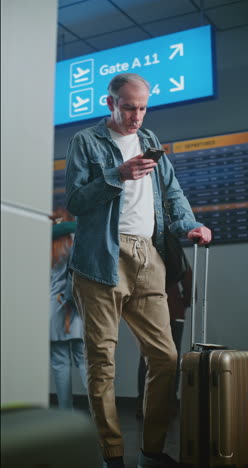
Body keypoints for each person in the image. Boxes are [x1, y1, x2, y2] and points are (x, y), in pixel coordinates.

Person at [65, 73, 211, 468]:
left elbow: (173, 193)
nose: (136, 116)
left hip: (148, 255)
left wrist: (190, 225)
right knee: (102, 362)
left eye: (142, 107)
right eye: (128, 107)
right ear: (109, 103)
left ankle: (151, 450)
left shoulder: (150, 141)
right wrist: (118, 175)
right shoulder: (86, 141)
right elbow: (75, 201)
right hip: (100, 257)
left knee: (165, 358)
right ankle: (112, 454)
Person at [136, 265, 193, 419]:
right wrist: (183, 303)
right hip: (174, 311)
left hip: (150, 312)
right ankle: (170, 404)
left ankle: (143, 403)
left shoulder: (146, 247)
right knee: (172, 358)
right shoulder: (175, 249)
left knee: (147, 357)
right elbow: (189, 280)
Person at [50, 208, 87, 409]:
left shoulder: (45, 244)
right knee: (84, 361)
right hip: (75, 306)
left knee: (59, 364)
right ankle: (99, 411)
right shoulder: (76, 241)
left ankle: (66, 412)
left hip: (53, 309)